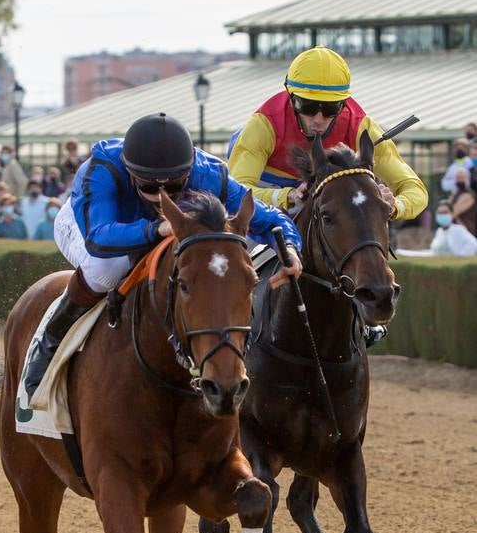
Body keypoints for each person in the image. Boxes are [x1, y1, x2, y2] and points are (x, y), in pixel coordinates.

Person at [23, 112, 303, 401]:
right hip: (87, 225)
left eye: (173, 187)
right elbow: (99, 237)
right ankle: (49, 343)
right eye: (148, 187)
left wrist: (291, 249)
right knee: (107, 268)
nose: (160, 196)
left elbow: (269, 218)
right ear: (131, 173)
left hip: (164, 229)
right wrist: (156, 228)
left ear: (188, 172)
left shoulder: (209, 173)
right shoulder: (104, 167)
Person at [228, 46, 428, 222]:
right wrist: (286, 196)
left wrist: (394, 206)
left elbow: (414, 189)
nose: (318, 118)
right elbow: (235, 192)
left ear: (343, 104)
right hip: (266, 192)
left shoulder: (360, 127)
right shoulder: (264, 124)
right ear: (291, 97)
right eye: (307, 105)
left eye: (331, 108)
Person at [450, 168, 476, 235]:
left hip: (467, 232)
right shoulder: (455, 193)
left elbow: (453, 213)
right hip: (456, 231)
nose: (459, 180)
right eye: (457, 177)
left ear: (467, 178)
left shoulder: (469, 195)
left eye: (461, 177)